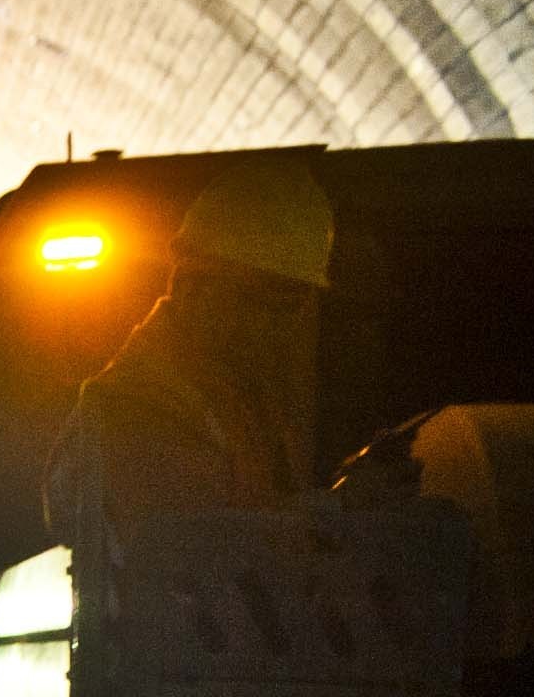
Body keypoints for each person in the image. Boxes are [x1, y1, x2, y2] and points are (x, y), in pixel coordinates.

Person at [43, 159, 334, 558]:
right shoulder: (140, 405)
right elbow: (197, 551)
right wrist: (337, 512)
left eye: (292, 308)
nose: (276, 327)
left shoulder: (232, 391)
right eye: (264, 303)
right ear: (192, 284)